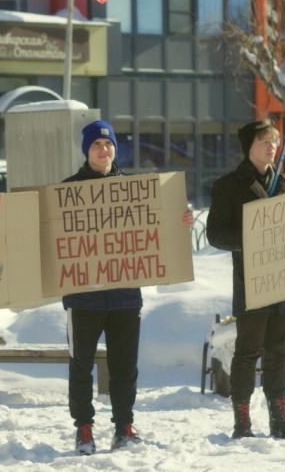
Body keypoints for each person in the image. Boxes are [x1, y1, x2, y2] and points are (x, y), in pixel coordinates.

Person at [64, 120, 194, 454]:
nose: (103, 150)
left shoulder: (132, 189)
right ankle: (84, 429)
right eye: (97, 145)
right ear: (86, 150)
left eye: (108, 145)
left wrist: (180, 222)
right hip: (83, 297)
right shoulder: (67, 191)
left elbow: (157, 229)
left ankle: (124, 426)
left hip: (124, 295)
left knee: (125, 366)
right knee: (81, 365)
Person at [206, 119, 285, 441]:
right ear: (248, 146)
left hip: (284, 279)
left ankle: (279, 419)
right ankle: (243, 422)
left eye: (276, 141)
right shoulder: (228, 185)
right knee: (248, 352)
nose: (272, 147)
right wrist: (250, 237)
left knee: (278, 353)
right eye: (265, 141)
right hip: (252, 281)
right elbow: (215, 234)